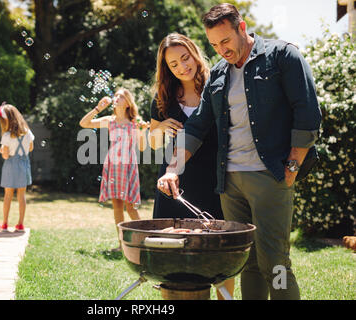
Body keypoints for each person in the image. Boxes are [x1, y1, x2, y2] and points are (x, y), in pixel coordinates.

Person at [157, 3, 321, 300]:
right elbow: (196, 128)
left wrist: (293, 166)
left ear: (241, 28)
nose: (221, 49)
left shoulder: (282, 56)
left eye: (225, 41)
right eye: (214, 44)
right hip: (230, 183)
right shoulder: (218, 74)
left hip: (270, 176)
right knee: (246, 261)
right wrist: (172, 169)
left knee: (275, 261)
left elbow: (307, 113)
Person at [148, 33, 234, 300]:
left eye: (185, 58)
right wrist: (160, 128)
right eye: (174, 64)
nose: (182, 67)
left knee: (220, 253)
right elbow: (152, 143)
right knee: (172, 252)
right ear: (167, 69)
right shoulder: (163, 97)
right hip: (174, 184)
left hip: (214, 181)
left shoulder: (218, 85)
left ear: (195, 53)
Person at [79, 88, 149, 251]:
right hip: (113, 164)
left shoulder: (135, 122)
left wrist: (143, 132)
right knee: (117, 206)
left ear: (128, 103)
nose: (116, 98)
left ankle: (143, 240)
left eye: (121, 96)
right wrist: (98, 108)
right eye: (116, 95)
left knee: (130, 206)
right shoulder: (110, 120)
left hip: (128, 165)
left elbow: (143, 147)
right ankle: (122, 244)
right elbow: (84, 123)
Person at [0, 102, 35, 232]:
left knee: (8, 195)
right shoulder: (28, 132)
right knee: (21, 195)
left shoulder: (7, 136)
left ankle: (5, 223)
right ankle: (20, 224)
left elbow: (6, 156)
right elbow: (30, 148)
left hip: (11, 165)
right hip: (24, 164)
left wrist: (3, 151)